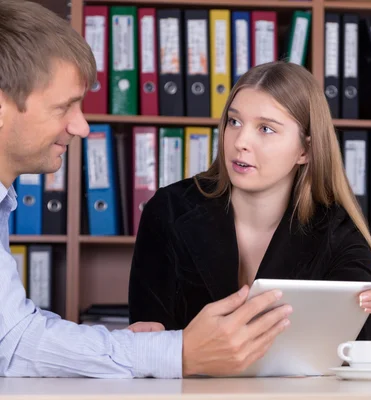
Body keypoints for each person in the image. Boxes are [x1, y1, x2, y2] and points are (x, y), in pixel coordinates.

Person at [0, 0, 288, 379]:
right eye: (64, 107)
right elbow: (14, 343)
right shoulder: (172, 209)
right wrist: (178, 352)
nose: (82, 127)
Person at [128, 61, 371, 376]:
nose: (240, 141)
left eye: (265, 128)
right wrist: (147, 340)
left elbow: (358, 352)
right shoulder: (169, 211)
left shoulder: (336, 229)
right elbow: (149, 336)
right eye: (234, 121)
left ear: (305, 150)